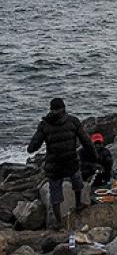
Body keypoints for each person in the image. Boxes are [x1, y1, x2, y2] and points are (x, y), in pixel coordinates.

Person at [27, 98, 97, 229]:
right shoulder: (73, 121)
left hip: (54, 165)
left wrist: (31, 147)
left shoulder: (44, 124)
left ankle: (58, 222)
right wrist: (94, 156)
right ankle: (78, 204)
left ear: (51, 109)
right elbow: (86, 141)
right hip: (71, 161)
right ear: (64, 108)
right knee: (77, 182)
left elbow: (32, 147)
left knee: (55, 193)